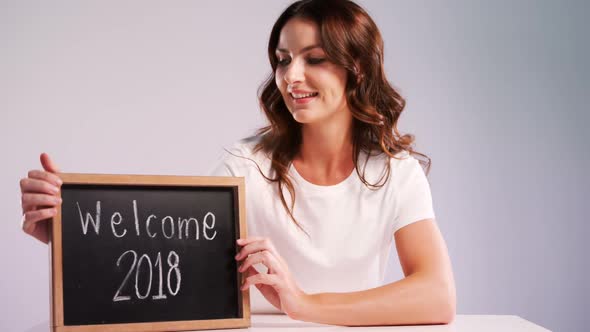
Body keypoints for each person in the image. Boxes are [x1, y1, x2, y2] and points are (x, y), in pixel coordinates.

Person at [20, 0, 456, 326]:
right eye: (283, 60)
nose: (291, 77)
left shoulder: (396, 173)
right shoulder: (244, 166)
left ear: (357, 68)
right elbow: (173, 274)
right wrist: (70, 239)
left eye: (315, 59)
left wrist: (302, 304)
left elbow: (437, 296)